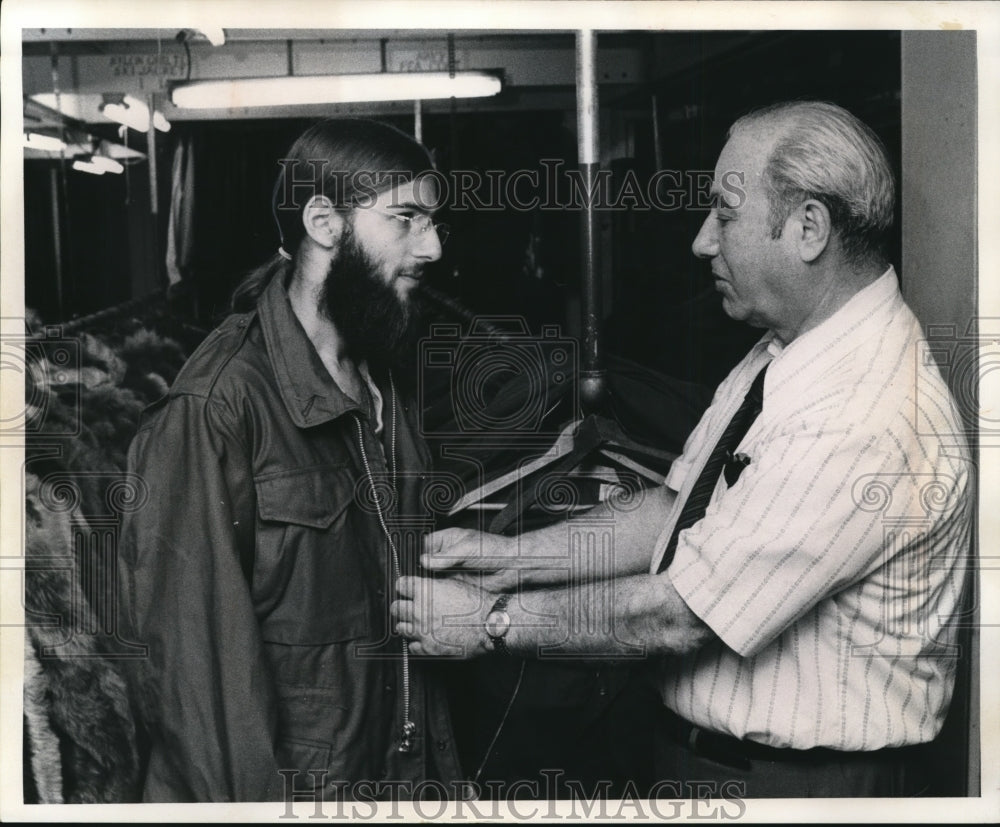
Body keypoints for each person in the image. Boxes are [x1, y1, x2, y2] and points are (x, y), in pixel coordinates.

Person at [392, 101, 972, 798]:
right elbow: (674, 509)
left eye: (725, 216)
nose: (702, 241)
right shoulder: (787, 351)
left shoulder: (865, 411)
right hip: (709, 763)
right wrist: (505, 561)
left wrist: (489, 621)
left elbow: (678, 614)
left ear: (809, 228)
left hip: (800, 787)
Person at [120, 118, 463, 802]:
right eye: (405, 219)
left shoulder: (376, 374)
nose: (430, 248)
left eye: (434, 223)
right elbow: (200, 685)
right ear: (323, 222)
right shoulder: (217, 407)